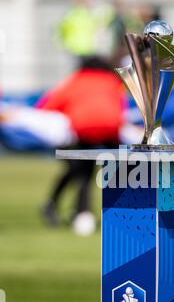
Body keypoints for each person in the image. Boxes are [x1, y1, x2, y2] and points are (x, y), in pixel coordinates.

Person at [38, 56, 125, 235]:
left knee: (81, 171)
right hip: (111, 130)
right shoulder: (112, 81)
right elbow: (119, 107)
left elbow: (47, 107)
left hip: (82, 130)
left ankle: (72, 209)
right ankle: (118, 214)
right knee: (117, 172)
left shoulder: (76, 80)